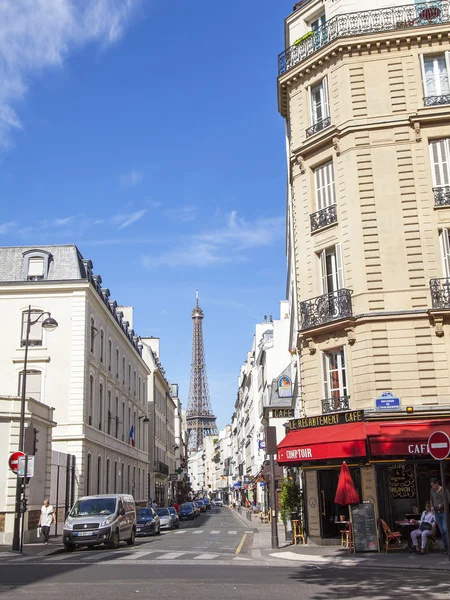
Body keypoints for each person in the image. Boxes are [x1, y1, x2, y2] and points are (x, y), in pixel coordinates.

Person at [430, 477, 450, 555]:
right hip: (437, 513)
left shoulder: (444, 490)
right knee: (442, 531)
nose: (432, 487)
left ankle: (449, 548)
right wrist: (432, 506)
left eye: (433, 485)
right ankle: (446, 548)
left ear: (437, 484)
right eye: (431, 485)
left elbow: (448, 500)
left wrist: (441, 505)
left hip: (444, 512)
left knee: (445, 530)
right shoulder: (432, 490)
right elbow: (431, 499)